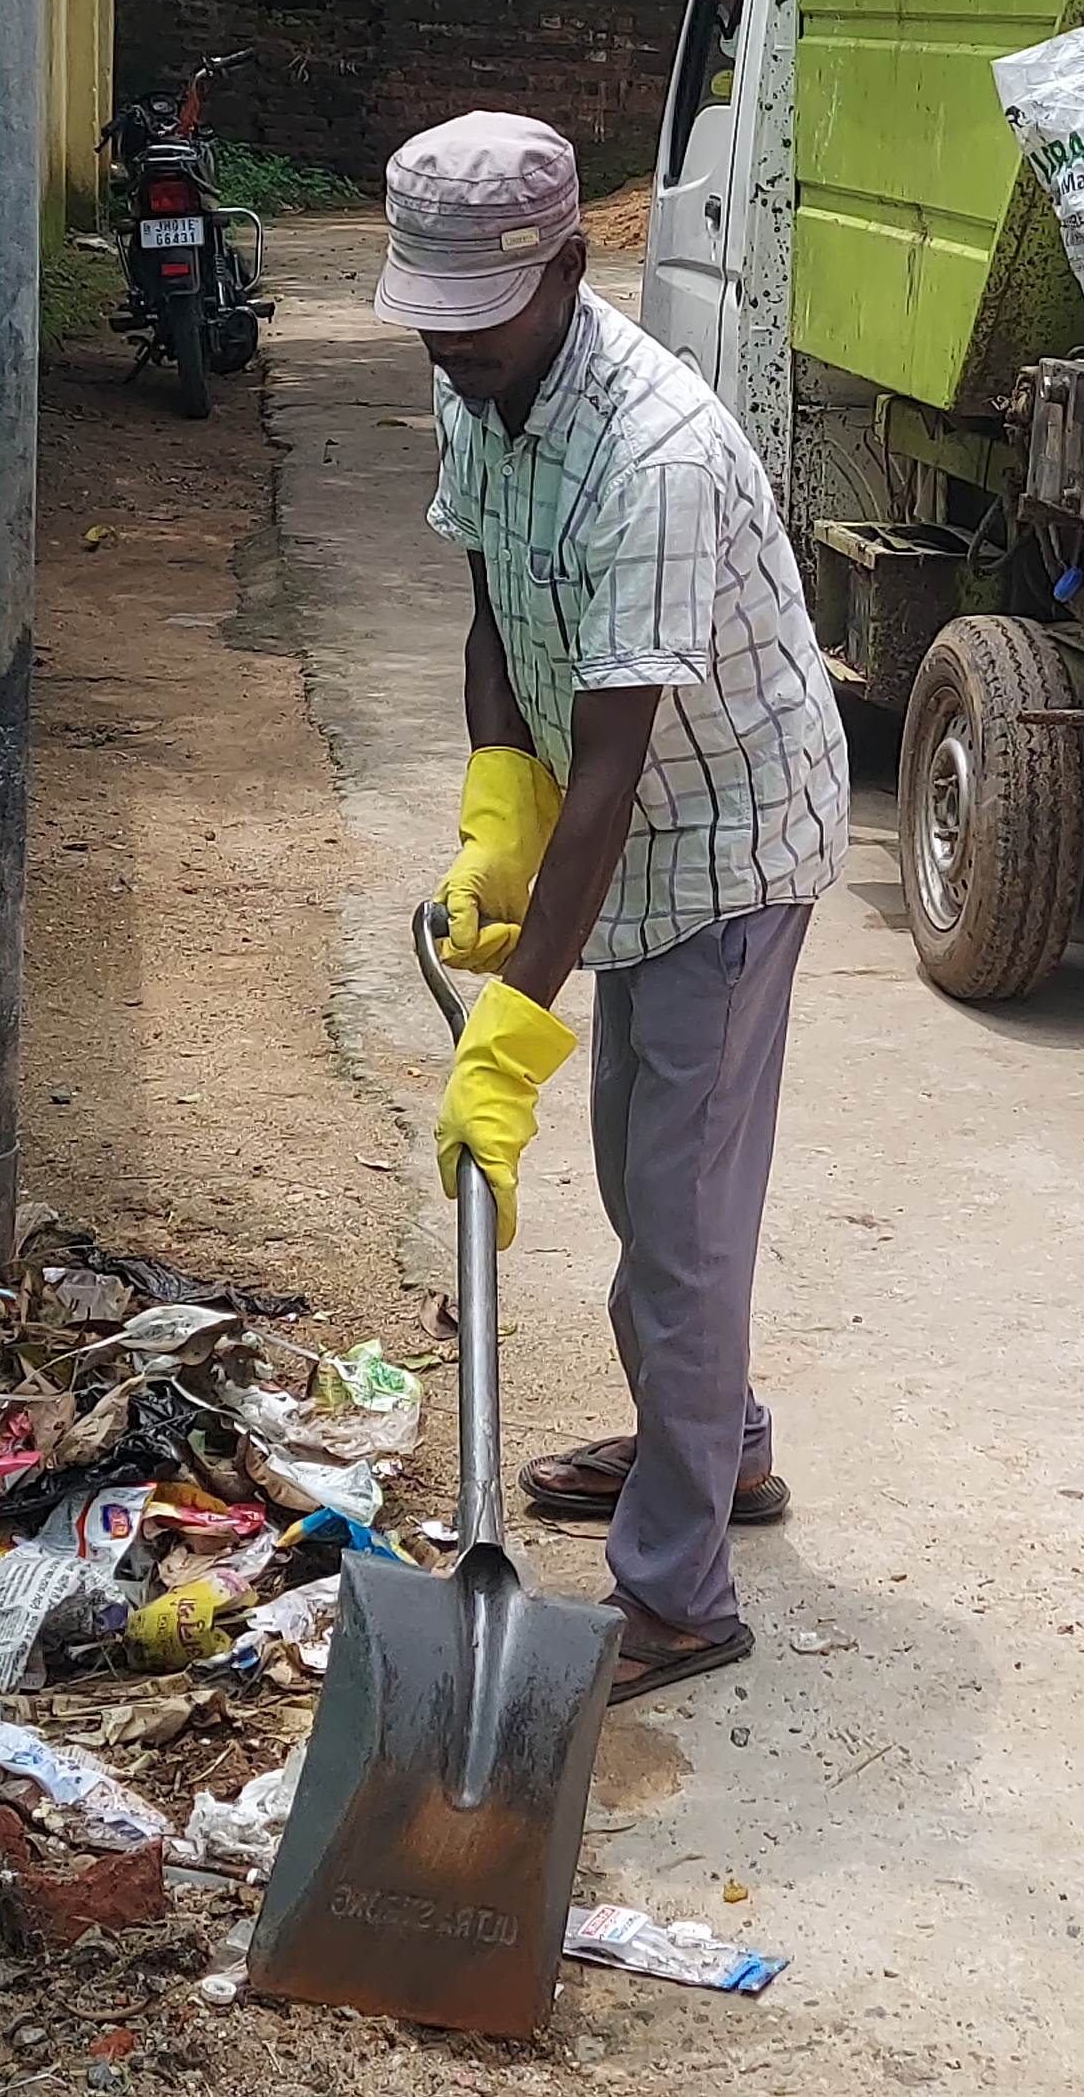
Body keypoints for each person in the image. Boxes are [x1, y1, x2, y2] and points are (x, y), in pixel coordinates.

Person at [389, 109, 852, 1705]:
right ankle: (721, 1447)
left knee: (679, 1215)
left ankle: (679, 1586)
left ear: (573, 271)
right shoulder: (482, 387)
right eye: (431, 316)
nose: (449, 348)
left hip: (724, 835)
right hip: (621, 826)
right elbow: (491, 609)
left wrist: (512, 1028)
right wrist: (486, 808)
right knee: (648, 1188)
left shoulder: (649, 456)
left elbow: (618, 770)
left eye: (477, 316)